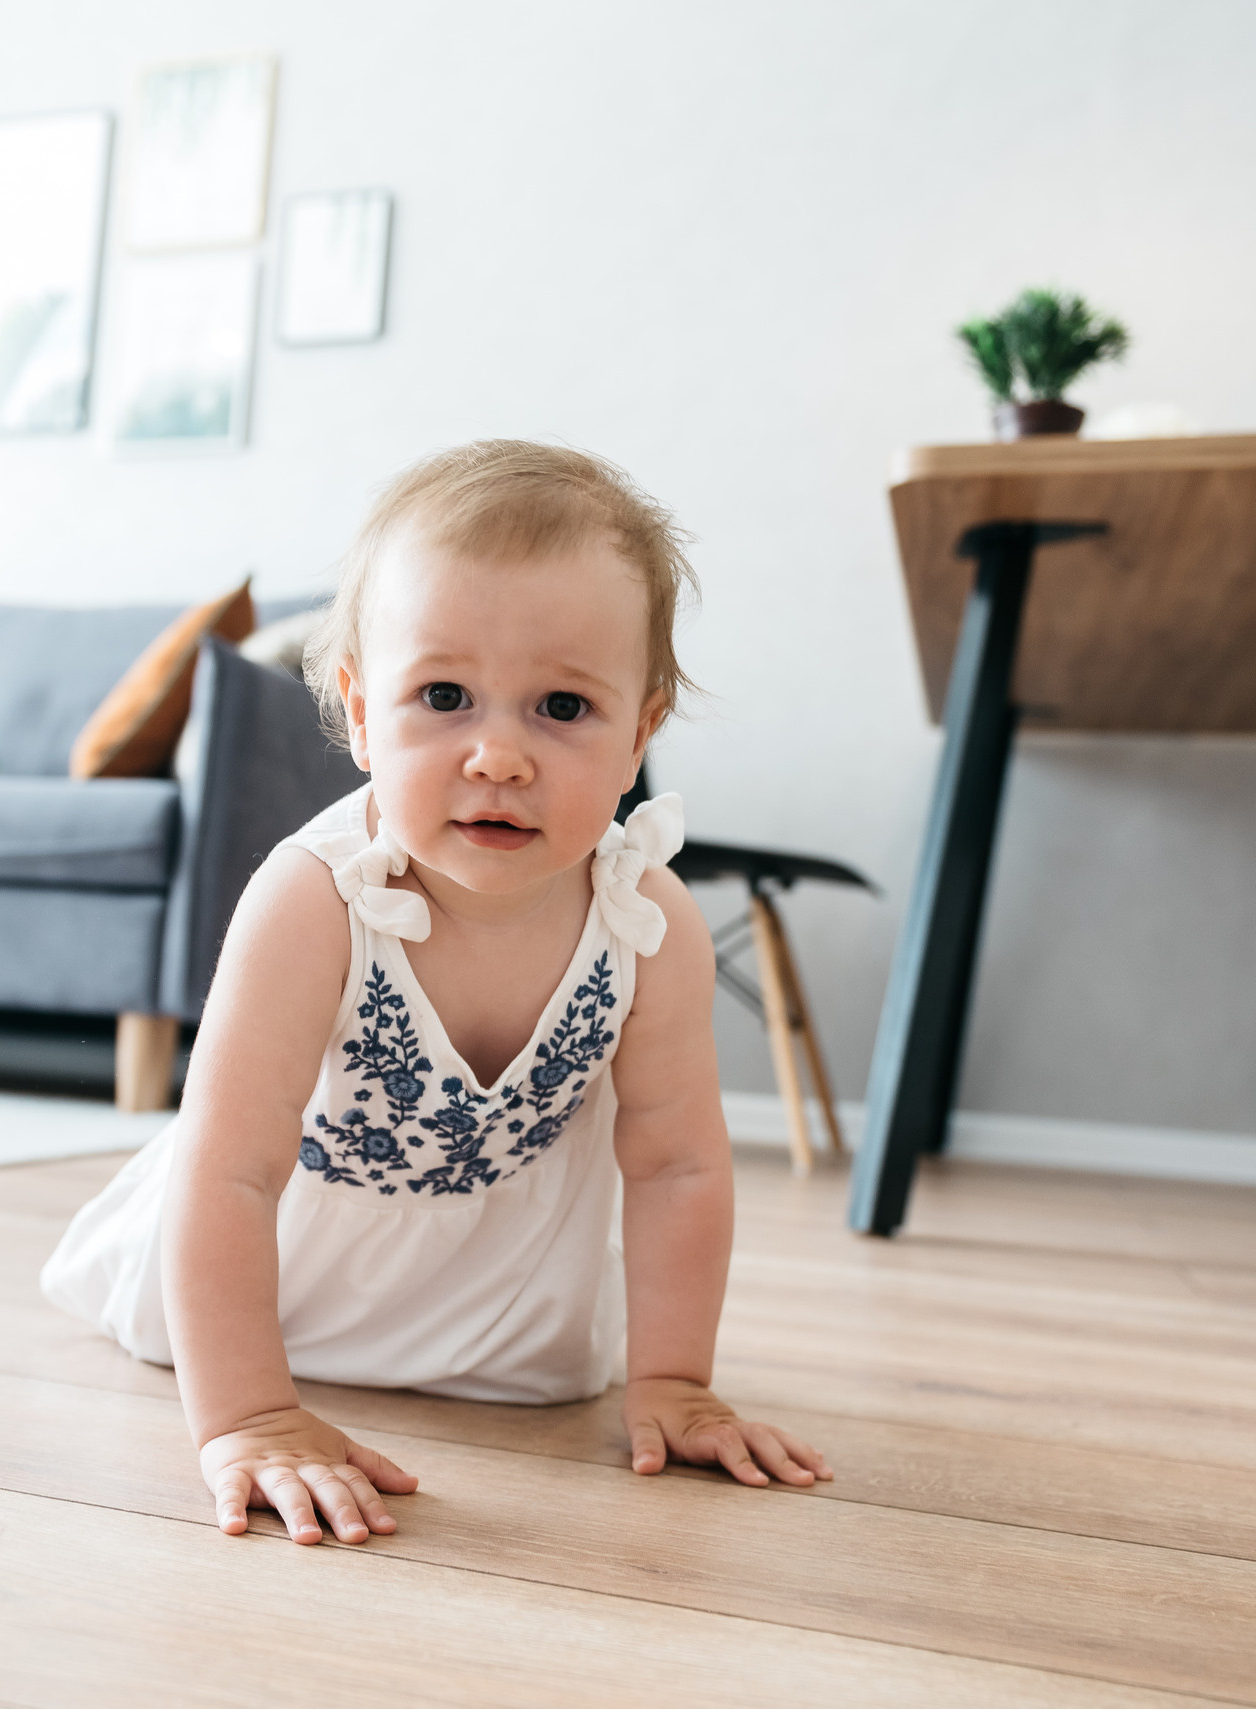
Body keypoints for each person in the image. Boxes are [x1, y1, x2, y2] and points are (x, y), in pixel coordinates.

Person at [42, 440, 830, 1545]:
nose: (498, 754)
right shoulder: (314, 900)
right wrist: (249, 1415)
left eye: (561, 705)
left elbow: (678, 1162)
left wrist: (673, 1379)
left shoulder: (648, 926)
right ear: (362, 714)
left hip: (502, 1328)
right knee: (211, 1248)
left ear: (640, 733)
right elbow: (228, 1167)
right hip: (262, 1290)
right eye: (445, 696)